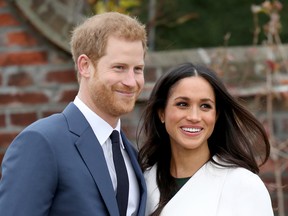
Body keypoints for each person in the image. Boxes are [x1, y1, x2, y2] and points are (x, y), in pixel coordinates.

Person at [0, 12, 147, 216]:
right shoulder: (42, 142)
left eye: (138, 69)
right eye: (119, 68)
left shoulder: (133, 155)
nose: (131, 81)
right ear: (85, 66)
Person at [138, 62, 274, 216]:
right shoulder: (143, 182)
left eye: (205, 106)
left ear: (215, 116)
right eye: (182, 104)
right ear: (162, 113)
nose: (194, 117)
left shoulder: (243, 185)